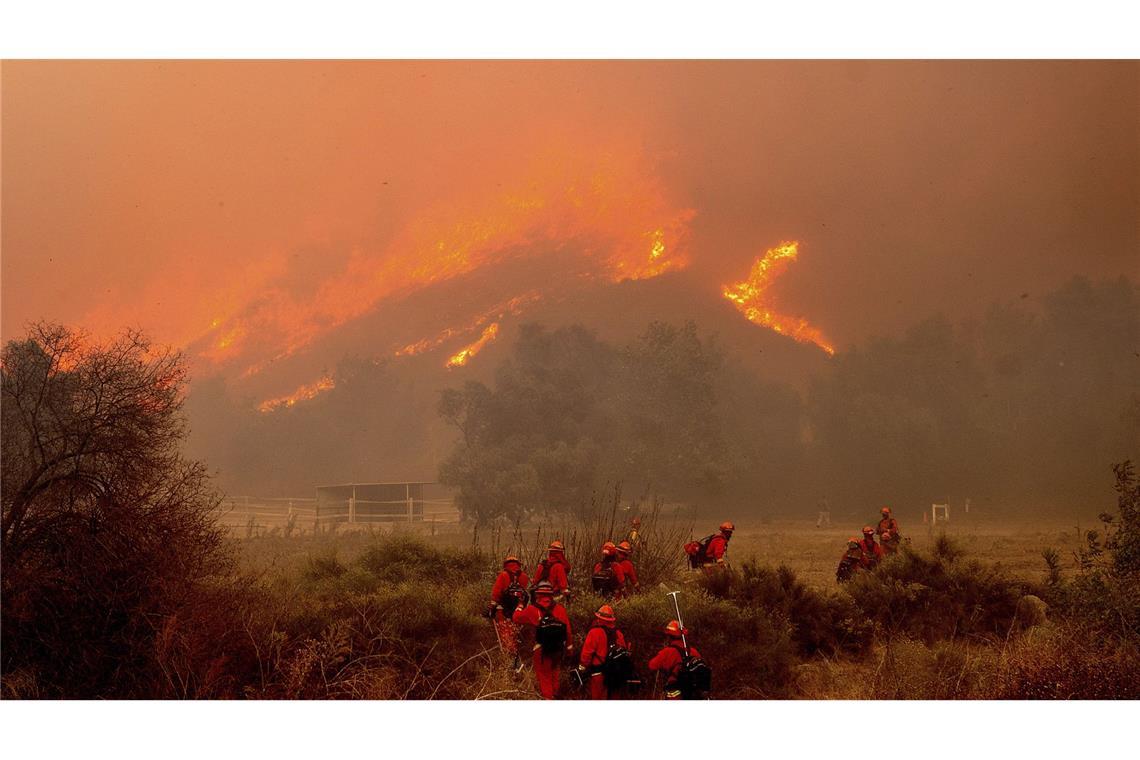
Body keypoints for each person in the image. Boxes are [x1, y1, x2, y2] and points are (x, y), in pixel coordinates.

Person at [512, 581, 573, 699]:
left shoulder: (532, 610)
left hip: (541, 650)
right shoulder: (560, 609)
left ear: (537, 594)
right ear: (551, 595)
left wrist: (520, 605)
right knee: (555, 675)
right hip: (558, 649)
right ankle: (555, 696)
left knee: (544, 678)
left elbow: (515, 618)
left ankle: (548, 698)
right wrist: (569, 648)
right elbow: (568, 631)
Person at [579, 604, 630, 700]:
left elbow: (586, 654)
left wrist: (582, 667)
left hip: (598, 674)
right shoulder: (618, 634)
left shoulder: (594, 632)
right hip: (616, 674)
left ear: (599, 618)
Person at [648, 620, 708, 699]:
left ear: (669, 636)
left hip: (675, 694)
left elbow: (652, 665)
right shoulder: (694, 651)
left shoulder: (667, 652)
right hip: (693, 693)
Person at [489, 555, 529, 663]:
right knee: (515, 631)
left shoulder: (503, 575)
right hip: (518, 610)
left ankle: (511, 658)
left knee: (505, 632)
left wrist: (492, 607)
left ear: (506, 565)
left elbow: (496, 592)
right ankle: (519, 652)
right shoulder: (524, 576)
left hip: (503, 609)